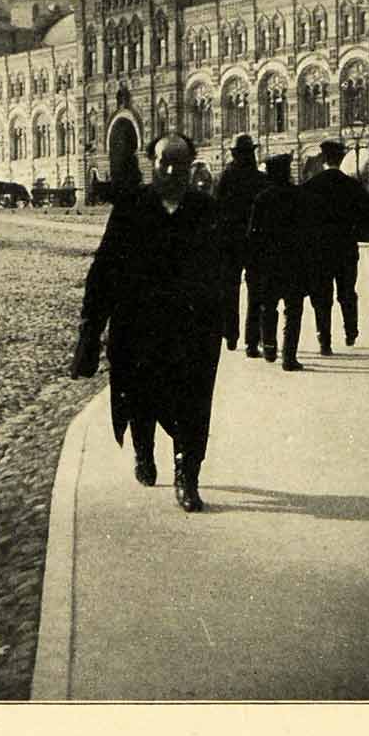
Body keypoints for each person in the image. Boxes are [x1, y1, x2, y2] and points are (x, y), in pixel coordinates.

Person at [69, 132, 223, 513]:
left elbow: (223, 268)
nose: (171, 171)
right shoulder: (131, 208)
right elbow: (104, 269)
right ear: (151, 164)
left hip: (189, 328)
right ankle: (144, 450)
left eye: (180, 164)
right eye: (164, 163)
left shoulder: (205, 210)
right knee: (139, 395)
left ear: (190, 167)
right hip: (138, 326)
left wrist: (226, 318)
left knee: (192, 401)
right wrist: (91, 327)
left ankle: (187, 475)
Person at [302, 139, 369, 352]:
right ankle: (351, 332)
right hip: (346, 246)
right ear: (341, 158)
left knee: (321, 294)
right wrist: (360, 234)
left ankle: (324, 340)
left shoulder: (311, 186)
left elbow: (301, 216)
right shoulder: (352, 185)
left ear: (323, 159)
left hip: (320, 249)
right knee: (347, 291)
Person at [248, 153, 310, 371]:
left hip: (268, 264)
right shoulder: (300, 196)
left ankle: (269, 346)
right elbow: (308, 232)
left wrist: (253, 264)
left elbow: (253, 235)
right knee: (293, 310)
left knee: (268, 306)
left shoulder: (261, 199)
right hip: (294, 262)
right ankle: (289, 357)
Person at [214, 134, 270, 358]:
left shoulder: (225, 178)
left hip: (230, 243)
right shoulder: (261, 179)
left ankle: (230, 334)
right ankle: (251, 342)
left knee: (230, 289)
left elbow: (216, 210)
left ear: (234, 154)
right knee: (256, 292)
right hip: (254, 242)